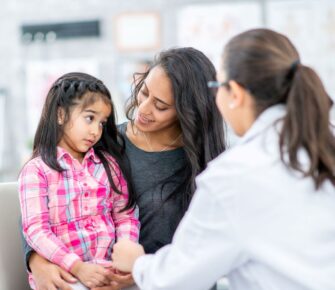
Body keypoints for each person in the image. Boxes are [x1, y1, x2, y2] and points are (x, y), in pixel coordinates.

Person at [111, 28, 335, 290]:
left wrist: (137, 263)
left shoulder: (234, 175)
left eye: (218, 87)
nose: (145, 108)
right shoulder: (320, 147)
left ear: (235, 94)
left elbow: (177, 278)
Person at [22, 48, 226, 290]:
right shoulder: (100, 142)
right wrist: (37, 262)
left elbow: (209, 249)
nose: (144, 108)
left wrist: (140, 270)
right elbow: (39, 205)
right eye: (144, 91)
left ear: (187, 112)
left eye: (160, 106)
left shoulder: (207, 165)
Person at [19, 72, 140, 290]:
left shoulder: (108, 166)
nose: (96, 131)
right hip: (64, 277)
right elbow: (36, 230)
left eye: (102, 123)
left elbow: (125, 215)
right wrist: (77, 268)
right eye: (89, 118)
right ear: (60, 115)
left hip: (108, 272)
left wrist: (124, 260)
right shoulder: (36, 170)